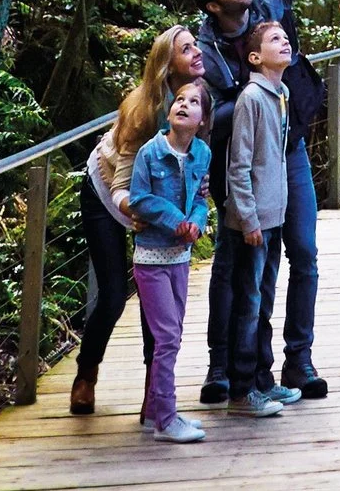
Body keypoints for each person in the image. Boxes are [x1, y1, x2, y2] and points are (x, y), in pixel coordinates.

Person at [195, 0, 333, 406]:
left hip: (288, 151)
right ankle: (224, 366)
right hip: (239, 162)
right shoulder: (205, 49)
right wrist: (248, 100)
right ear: (214, 2)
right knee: (238, 265)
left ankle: (298, 359)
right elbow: (204, 112)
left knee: (303, 252)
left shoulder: (268, 6)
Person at [71, 25, 207, 417]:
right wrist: (143, 218)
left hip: (154, 206)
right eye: (186, 49)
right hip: (109, 193)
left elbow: (195, 164)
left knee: (156, 296)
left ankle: (154, 390)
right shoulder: (143, 109)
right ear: (168, 64)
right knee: (113, 293)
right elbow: (121, 186)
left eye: (196, 45)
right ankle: (86, 373)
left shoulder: (197, 102)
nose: (197, 52)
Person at [129, 77, 214, 443]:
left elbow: (200, 198)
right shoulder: (151, 152)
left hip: (180, 257)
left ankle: (158, 412)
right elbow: (139, 199)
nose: (184, 105)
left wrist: (195, 222)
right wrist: (174, 220)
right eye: (179, 99)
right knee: (167, 339)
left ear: (203, 119)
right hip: (150, 259)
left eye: (194, 102)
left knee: (173, 335)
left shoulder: (202, 154)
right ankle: (165, 418)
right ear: (169, 110)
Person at [222, 19, 296, 417]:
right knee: (249, 304)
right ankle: (242, 390)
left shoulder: (280, 92)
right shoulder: (252, 97)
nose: (284, 42)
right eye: (274, 39)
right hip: (252, 224)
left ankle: (264, 382)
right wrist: (248, 218)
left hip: (274, 217)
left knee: (264, 302)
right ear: (254, 57)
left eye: (285, 38)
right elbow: (240, 164)